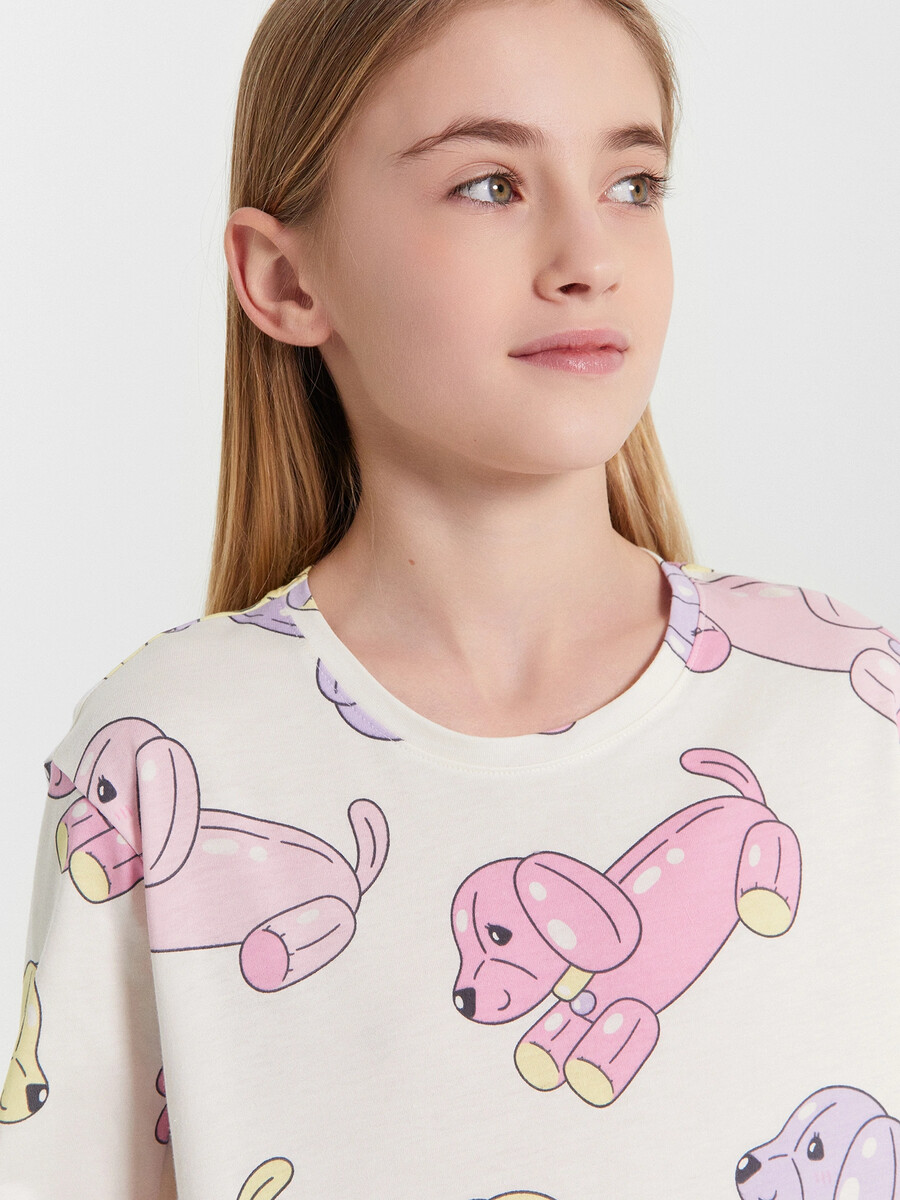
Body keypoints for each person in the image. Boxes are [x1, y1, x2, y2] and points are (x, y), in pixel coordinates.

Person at [1, 0, 898, 1197]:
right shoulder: (165, 750)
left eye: (632, 184)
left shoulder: (852, 712)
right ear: (285, 277)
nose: (589, 256)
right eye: (490, 185)